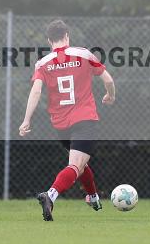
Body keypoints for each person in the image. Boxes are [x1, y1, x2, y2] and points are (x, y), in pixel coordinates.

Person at [19, 19, 116, 221]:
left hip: (61, 125)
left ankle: (92, 196)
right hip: (84, 119)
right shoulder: (83, 54)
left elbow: (36, 91)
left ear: (49, 40)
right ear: (67, 36)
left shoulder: (42, 63)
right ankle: (50, 195)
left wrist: (26, 119)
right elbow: (108, 79)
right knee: (76, 165)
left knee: (80, 164)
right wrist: (110, 95)